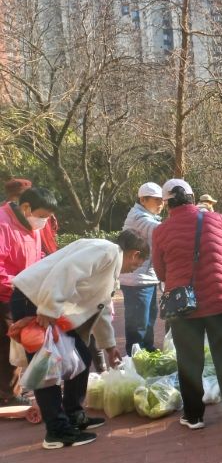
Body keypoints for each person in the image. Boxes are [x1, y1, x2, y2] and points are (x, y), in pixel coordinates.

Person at [10, 230, 149, 448]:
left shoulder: (109, 263)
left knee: (82, 356)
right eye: (136, 265)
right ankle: (57, 431)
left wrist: (109, 346)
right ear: (135, 254)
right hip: (34, 299)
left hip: (47, 304)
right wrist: (48, 307)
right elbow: (67, 271)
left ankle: (73, 413)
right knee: (45, 366)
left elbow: (100, 307)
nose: (132, 270)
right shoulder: (108, 251)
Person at [153, 178, 222, 429]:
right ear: (192, 197)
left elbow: (161, 273)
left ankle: (193, 415)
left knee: (189, 359)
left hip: (184, 305)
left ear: (166, 204)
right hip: (220, 298)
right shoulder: (216, 219)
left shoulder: (160, 231)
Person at [0, 187, 57, 406]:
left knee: (18, 344)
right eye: (42, 216)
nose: (43, 221)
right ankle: (8, 395)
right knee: (7, 344)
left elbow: (35, 255)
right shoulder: (4, 224)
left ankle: (12, 389)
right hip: (6, 293)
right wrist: (18, 285)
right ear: (26, 208)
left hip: (24, 292)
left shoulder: (30, 224)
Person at [120, 182, 165, 354]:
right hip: (137, 279)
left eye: (162, 200)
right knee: (138, 323)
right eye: (156, 200)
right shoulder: (139, 218)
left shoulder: (148, 216)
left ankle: (147, 352)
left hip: (146, 277)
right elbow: (159, 231)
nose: (161, 204)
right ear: (143, 200)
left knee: (148, 320)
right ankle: (135, 358)